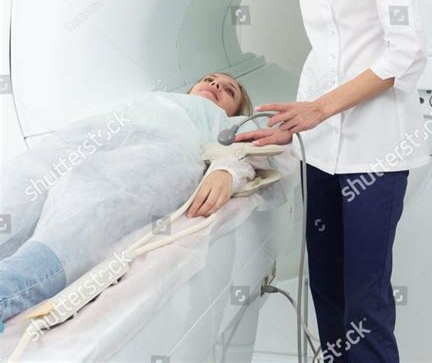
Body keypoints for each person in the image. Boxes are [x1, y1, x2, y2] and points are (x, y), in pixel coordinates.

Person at [235, 0, 430, 362]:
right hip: (320, 152)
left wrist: (320, 109)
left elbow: (405, 49)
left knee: (364, 301)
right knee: (327, 291)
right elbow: (329, 51)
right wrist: (290, 124)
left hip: (374, 149)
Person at [0, 72, 292, 324]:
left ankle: (7, 290)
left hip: (161, 151)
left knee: (89, 205)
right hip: (88, 137)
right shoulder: (149, 98)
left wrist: (226, 171)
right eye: (210, 79)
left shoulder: (227, 122)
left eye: (228, 91)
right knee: (19, 189)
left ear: (235, 111)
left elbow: (253, 153)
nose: (216, 85)